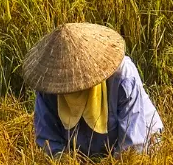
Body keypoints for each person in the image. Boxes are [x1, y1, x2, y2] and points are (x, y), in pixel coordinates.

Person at [24, 23, 163, 157]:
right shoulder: (49, 84)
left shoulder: (122, 77)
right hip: (82, 152)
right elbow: (48, 139)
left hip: (142, 142)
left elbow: (132, 147)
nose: (71, 89)